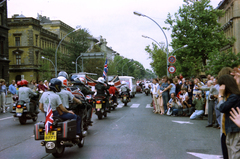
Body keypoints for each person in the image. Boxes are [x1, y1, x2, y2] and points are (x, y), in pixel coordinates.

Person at [217, 74, 240, 159]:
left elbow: (222, 107)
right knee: (231, 153)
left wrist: (220, 95)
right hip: (230, 129)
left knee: (235, 154)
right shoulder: (232, 96)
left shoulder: (235, 96)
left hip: (235, 129)